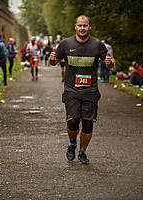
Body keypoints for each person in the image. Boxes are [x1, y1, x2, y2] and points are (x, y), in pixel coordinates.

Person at [49, 15, 114, 164]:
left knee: (88, 123)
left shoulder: (98, 45)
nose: (82, 28)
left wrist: (110, 63)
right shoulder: (66, 44)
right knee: (73, 121)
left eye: (85, 26)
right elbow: (53, 61)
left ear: (89, 27)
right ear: (75, 27)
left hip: (90, 90)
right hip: (72, 89)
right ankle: (72, 144)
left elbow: (110, 63)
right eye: (80, 25)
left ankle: (82, 151)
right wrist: (52, 59)